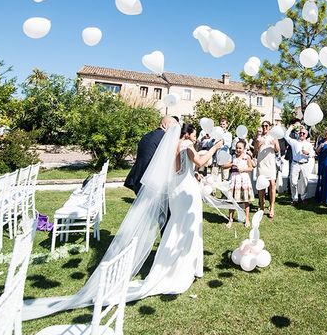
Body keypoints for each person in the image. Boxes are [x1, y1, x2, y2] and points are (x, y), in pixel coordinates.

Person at [24, 123, 224, 320]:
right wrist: (215, 148)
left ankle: (172, 265)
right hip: (187, 192)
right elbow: (200, 162)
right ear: (187, 134)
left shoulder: (173, 147)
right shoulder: (186, 145)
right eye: (194, 132)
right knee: (187, 228)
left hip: (176, 191)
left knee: (175, 228)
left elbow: (182, 169)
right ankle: (184, 268)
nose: (196, 135)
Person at [124, 116, 177, 194]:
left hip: (138, 178)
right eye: (173, 127)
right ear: (165, 125)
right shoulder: (164, 139)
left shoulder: (147, 135)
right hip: (151, 182)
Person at [222, 140, 254, 227]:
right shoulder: (233, 157)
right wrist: (232, 164)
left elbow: (251, 168)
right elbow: (224, 166)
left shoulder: (247, 157)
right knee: (232, 200)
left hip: (243, 179)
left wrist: (243, 169)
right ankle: (230, 219)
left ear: (244, 148)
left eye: (240, 148)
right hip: (234, 179)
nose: (238, 149)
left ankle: (247, 219)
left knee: (245, 200)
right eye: (237, 147)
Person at [254, 120, 280, 218]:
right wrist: (257, 144)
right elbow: (255, 152)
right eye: (263, 126)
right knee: (261, 186)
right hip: (261, 164)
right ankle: (261, 205)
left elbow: (277, 150)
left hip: (270, 164)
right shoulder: (259, 137)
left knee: (272, 185)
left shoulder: (274, 137)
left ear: (270, 127)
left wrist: (275, 144)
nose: (264, 127)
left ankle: (272, 207)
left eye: (266, 126)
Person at [285, 123, 315, 204]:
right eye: (300, 133)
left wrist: (307, 153)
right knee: (293, 182)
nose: (301, 134)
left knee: (305, 181)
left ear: (306, 135)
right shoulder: (294, 142)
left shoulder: (308, 144)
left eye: (303, 133)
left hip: (305, 164)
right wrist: (291, 127)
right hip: (295, 164)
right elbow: (286, 136)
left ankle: (303, 197)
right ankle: (294, 199)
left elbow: (313, 154)